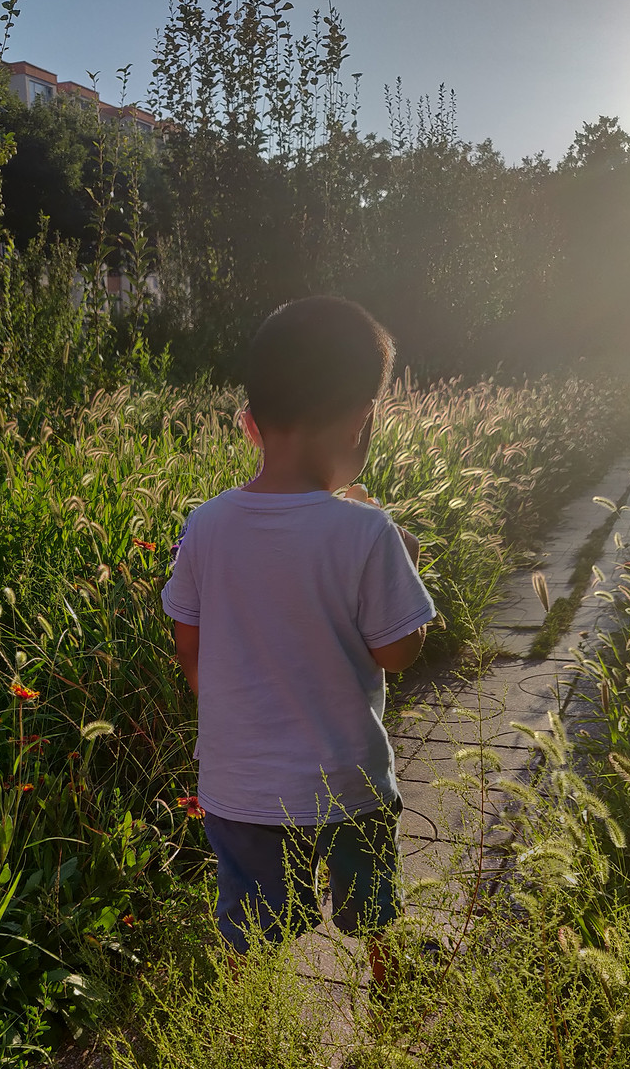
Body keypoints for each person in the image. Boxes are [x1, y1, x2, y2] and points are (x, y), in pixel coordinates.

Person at [160, 295, 437, 991]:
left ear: (249, 425)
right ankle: (388, 977)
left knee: (252, 918)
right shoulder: (368, 533)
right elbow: (398, 652)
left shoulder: (205, 525)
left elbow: (188, 642)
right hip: (346, 783)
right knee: (370, 896)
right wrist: (403, 559)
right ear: (361, 423)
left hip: (239, 783)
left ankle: (248, 1024)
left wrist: (233, 714)